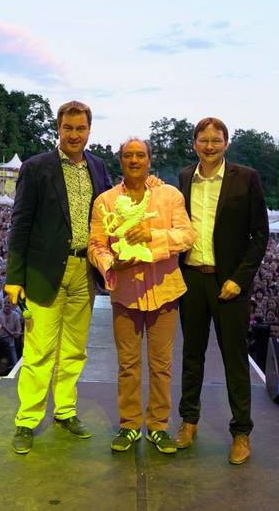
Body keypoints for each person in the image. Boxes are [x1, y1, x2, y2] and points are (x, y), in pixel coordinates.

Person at [5, 101, 112, 454]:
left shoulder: (98, 166)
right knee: (38, 351)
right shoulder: (36, 168)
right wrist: (13, 277)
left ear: (89, 130)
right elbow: (20, 222)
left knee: (74, 350)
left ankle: (65, 411)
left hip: (85, 270)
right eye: (68, 128)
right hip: (43, 270)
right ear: (58, 129)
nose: (74, 135)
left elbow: (113, 208)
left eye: (80, 129)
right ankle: (27, 420)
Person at [89, 138, 195, 454]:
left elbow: (187, 236)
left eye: (140, 155)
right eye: (128, 155)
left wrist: (152, 239)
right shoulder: (105, 201)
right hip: (125, 292)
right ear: (120, 161)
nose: (134, 160)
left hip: (164, 292)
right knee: (128, 363)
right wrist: (112, 262)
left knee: (161, 365)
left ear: (149, 160)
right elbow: (97, 244)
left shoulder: (169, 195)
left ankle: (159, 427)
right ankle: (130, 425)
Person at [175, 117, 269, 465]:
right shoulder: (185, 178)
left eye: (216, 140)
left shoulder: (246, 178)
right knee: (191, 356)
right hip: (192, 280)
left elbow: (260, 235)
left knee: (234, 360)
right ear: (195, 143)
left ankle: (241, 432)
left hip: (229, 282)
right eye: (204, 140)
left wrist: (240, 278)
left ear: (226, 143)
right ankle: (188, 422)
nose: (210, 146)